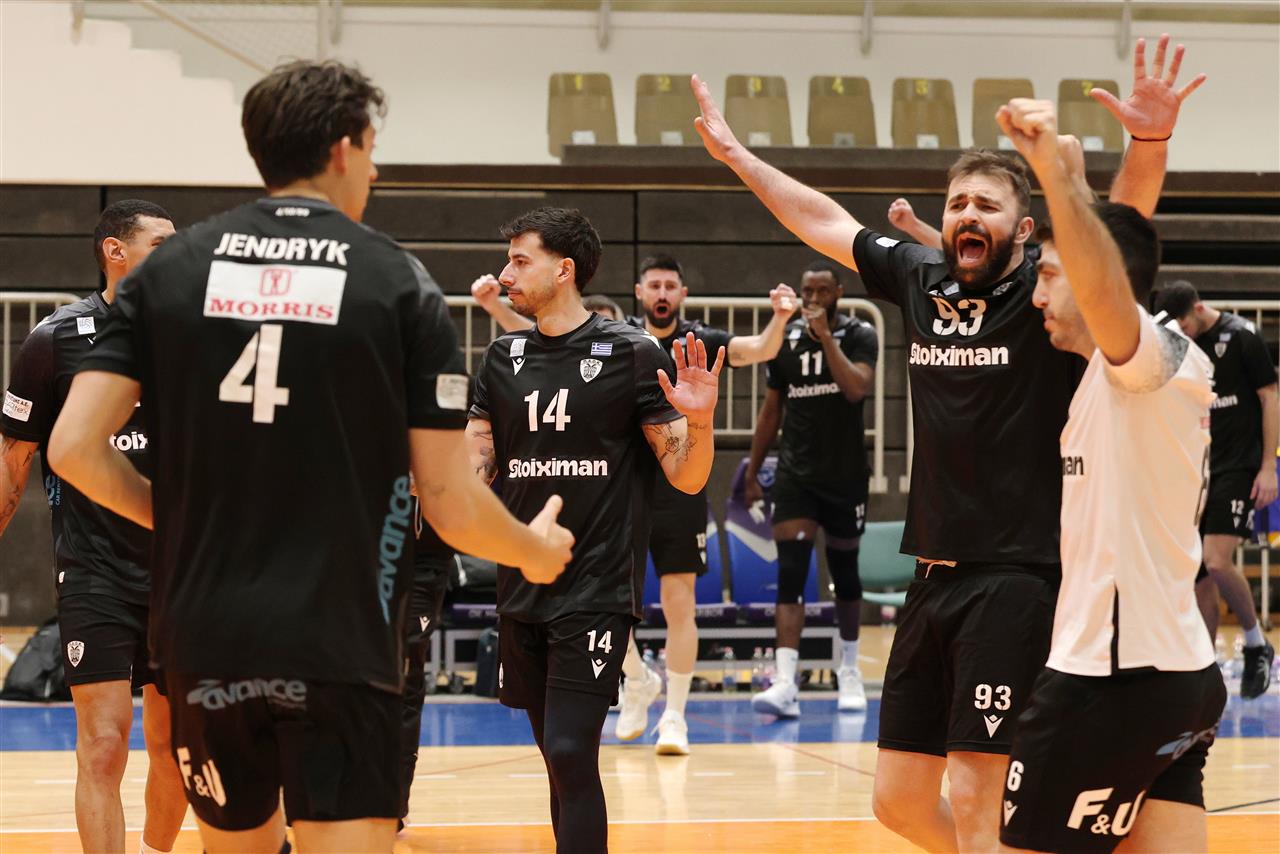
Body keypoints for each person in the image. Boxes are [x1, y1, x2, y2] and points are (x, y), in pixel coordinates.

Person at [691, 33, 1203, 851]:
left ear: (1024, 229)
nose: (968, 215)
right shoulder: (920, 278)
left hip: (1017, 574)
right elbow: (823, 220)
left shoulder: (1051, 296)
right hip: (933, 576)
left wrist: (1148, 144)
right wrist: (736, 157)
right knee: (897, 802)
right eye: (959, 202)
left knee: (975, 792)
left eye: (987, 206)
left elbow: (1116, 237)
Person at [47, 60, 571, 854]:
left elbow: (73, 448)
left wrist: (177, 519)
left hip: (205, 634)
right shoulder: (397, 281)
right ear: (341, 149)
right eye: (371, 149)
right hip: (342, 636)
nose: (375, 170)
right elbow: (446, 497)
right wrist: (533, 550)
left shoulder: (172, 272)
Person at [999, 98, 1226, 853]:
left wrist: (1050, 176)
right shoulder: (1118, 371)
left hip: (1110, 679)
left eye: (1049, 275)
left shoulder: (1149, 360)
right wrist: (1079, 175)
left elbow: (1106, 273)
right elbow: (1117, 235)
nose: (1036, 295)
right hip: (1178, 674)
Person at [465, 206, 723, 852]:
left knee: (569, 748)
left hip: (597, 588)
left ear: (564, 270)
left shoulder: (631, 353)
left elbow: (687, 477)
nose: (505, 275)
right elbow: (473, 468)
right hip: (522, 585)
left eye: (519, 261)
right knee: (556, 760)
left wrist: (699, 421)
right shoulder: (500, 357)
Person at [474, 253, 796, 755]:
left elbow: (758, 349)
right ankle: (638, 677)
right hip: (613, 494)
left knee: (678, 601)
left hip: (676, 487)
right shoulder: (609, 343)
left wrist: (779, 318)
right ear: (639, 292)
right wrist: (498, 306)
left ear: (682, 293)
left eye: (671, 284)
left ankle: (675, 716)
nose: (662, 293)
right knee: (602, 601)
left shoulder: (688, 342)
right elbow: (537, 344)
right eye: (654, 284)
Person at [1, 200, 186, 854]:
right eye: (161, 243)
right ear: (115, 251)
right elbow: (15, 462)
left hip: (180, 574)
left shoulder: (197, 338)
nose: (178, 253)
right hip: (94, 570)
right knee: (103, 744)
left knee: (173, 750)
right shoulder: (54, 340)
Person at [744, 259, 877, 716]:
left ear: (839, 292)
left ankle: (849, 670)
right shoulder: (786, 341)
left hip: (845, 474)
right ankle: (785, 682)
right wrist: (752, 472)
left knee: (845, 572)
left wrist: (826, 341)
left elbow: (856, 388)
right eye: (808, 292)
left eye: (822, 291)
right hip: (796, 475)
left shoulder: (860, 334)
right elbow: (771, 410)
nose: (814, 299)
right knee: (791, 572)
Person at [1153, 280, 1278, 698]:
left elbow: (1270, 397)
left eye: (1185, 326)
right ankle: (1203, 672)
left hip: (1239, 467)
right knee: (1199, 578)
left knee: (1217, 560)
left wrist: (1268, 466)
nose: (1183, 335)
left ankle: (1256, 644)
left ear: (1198, 308)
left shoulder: (1242, 336)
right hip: (1198, 469)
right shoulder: (1179, 344)